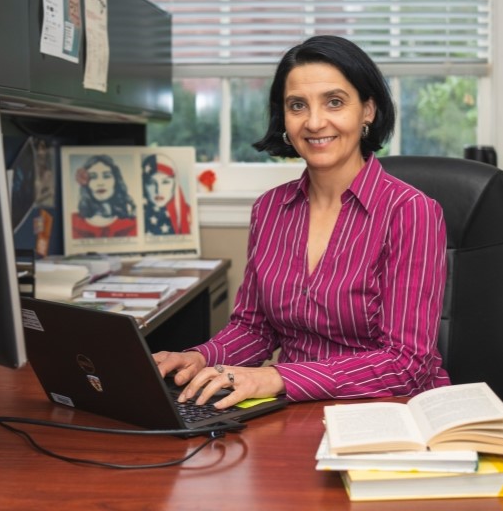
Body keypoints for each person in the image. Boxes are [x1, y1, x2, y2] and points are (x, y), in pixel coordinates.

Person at [154, 35, 449, 409]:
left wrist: (278, 376)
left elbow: (407, 364)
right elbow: (254, 328)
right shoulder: (270, 210)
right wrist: (201, 357)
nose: (313, 122)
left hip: (387, 415)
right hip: (292, 410)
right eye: (297, 106)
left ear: (368, 110)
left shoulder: (411, 212)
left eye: (335, 102)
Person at [72, 154, 137, 238]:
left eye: (106, 176)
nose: (100, 183)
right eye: (93, 177)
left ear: (116, 181)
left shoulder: (132, 223)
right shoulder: (74, 222)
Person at [142, 153, 192, 235]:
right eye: (151, 183)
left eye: (165, 182)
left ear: (175, 184)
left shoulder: (189, 214)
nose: (158, 191)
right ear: (143, 185)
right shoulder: (133, 217)